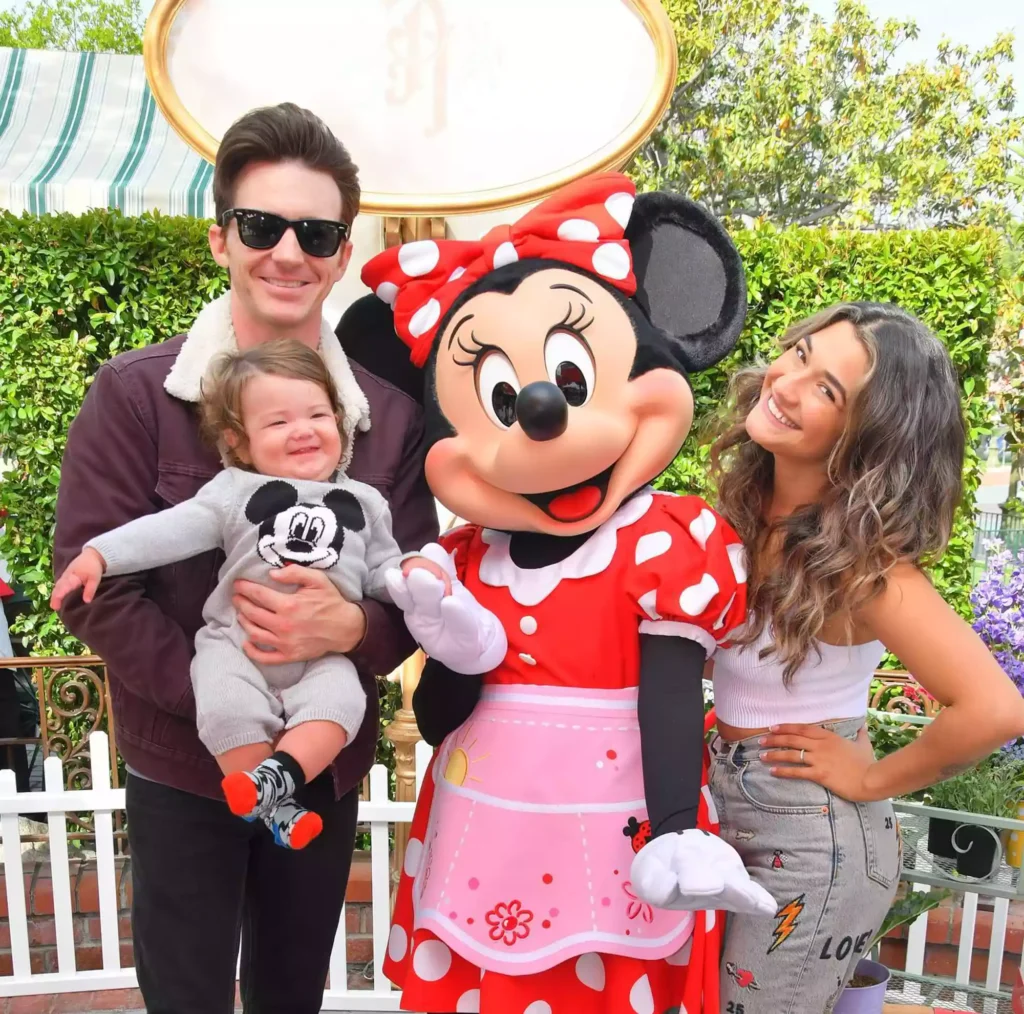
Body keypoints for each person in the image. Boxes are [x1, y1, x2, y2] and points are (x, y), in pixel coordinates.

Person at [343, 172, 775, 1014]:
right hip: (486, 832)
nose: (541, 412)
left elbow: (669, 693)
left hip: (626, 837)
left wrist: (678, 825)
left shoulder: (665, 543)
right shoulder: (466, 558)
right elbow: (438, 717)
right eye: (499, 400)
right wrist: (457, 641)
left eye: (570, 380)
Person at [53, 103, 438, 1013]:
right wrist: (230, 708)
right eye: (263, 227)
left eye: (317, 232)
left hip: (324, 759)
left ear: (343, 252)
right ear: (222, 238)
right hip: (184, 761)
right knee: (184, 995)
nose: (288, 253)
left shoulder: (390, 415)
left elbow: (417, 576)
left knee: (290, 993)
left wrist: (355, 629)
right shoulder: (135, 397)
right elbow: (89, 582)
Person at [704, 301, 1024, 1013]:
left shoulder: (866, 569)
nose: (786, 383)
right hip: (735, 810)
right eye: (800, 355)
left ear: (869, 439)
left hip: (813, 840)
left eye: (827, 391)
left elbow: (995, 708)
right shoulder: (753, 519)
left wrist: (875, 777)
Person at [52, 341, 441, 850]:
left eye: (317, 414)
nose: (302, 430)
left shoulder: (366, 503)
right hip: (236, 645)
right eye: (278, 423)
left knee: (342, 701)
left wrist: (414, 569)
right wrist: (101, 555)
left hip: (323, 656)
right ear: (239, 442)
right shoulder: (233, 492)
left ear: (341, 423)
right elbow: (167, 531)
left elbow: (381, 568)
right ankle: (275, 806)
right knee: (222, 704)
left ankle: (278, 777)